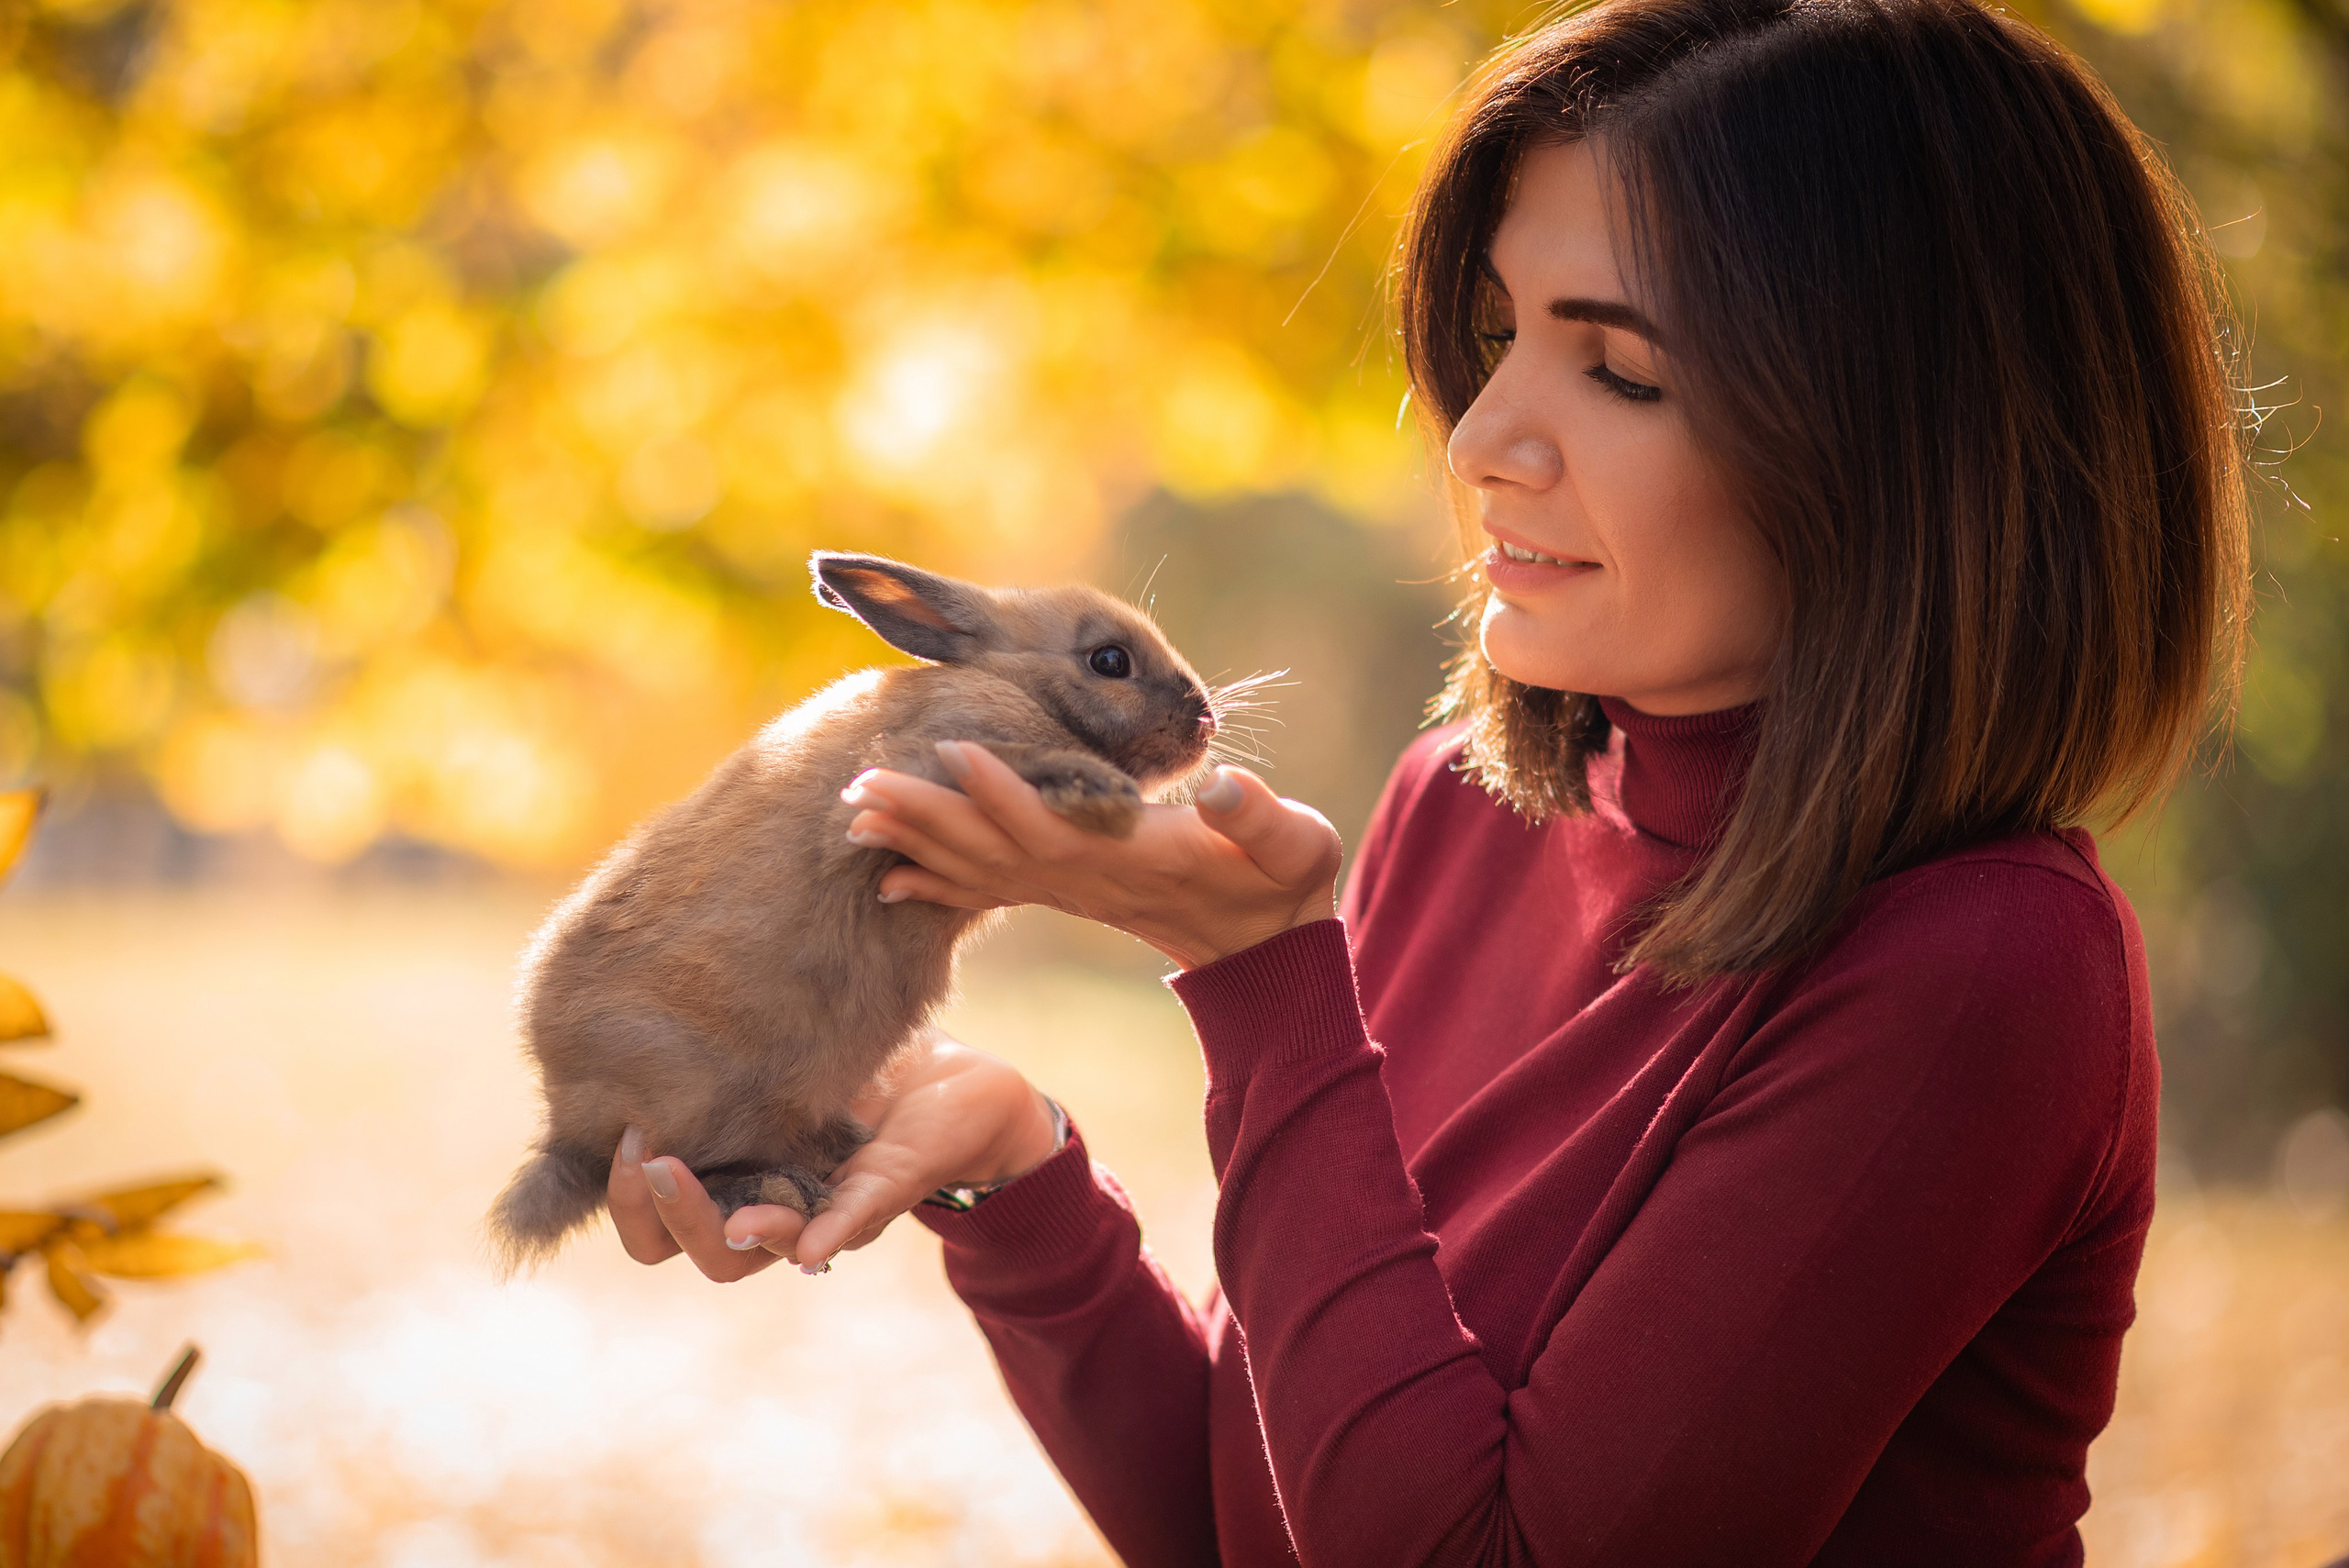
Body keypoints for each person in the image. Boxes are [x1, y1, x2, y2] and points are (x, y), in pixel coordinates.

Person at [607, 0, 2250, 1559]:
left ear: (1909, 446)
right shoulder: (1463, 807)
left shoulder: (1986, 967)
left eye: (1620, 371)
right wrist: (1017, 1175)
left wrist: (1264, 980)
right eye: (1499, 334)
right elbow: (1258, 1523)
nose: (1477, 440)